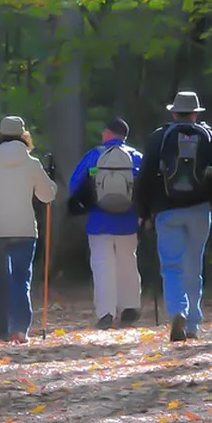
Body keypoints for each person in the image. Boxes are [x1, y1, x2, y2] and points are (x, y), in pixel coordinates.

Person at [133, 91, 212, 342]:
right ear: (196, 114)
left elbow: (144, 179)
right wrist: (208, 199)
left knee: (171, 266)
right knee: (194, 267)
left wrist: (144, 212)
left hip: (166, 212)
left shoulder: (159, 137)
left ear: (174, 113)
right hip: (199, 211)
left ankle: (178, 311)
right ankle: (193, 325)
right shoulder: (208, 137)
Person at [0, 116, 57, 343]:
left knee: (1, 281)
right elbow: (47, 196)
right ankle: (20, 329)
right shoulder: (32, 163)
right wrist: (52, 180)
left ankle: (3, 330)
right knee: (21, 280)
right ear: (24, 136)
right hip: (24, 230)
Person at [68, 118, 144, 329]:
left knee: (102, 267)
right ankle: (130, 306)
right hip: (128, 221)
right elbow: (148, 187)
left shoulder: (95, 155)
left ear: (107, 133)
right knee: (128, 262)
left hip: (99, 221)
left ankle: (106, 313)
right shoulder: (136, 157)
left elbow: (74, 185)